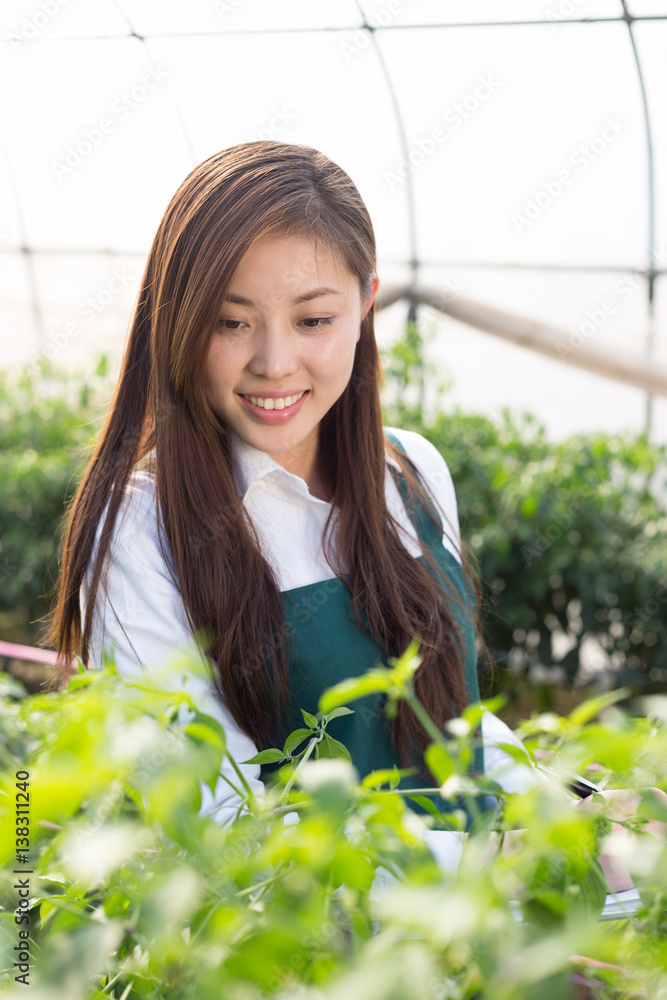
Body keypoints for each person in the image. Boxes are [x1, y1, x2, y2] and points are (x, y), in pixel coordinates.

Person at [47, 140, 657, 888]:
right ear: (174, 321)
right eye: (231, 323)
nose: (273, 362)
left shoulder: (411, 472)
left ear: (365, 306)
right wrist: (493, 867)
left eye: (312, 321)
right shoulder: (140, 532)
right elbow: (218, 831)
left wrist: (573, 813)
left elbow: (453, 725)